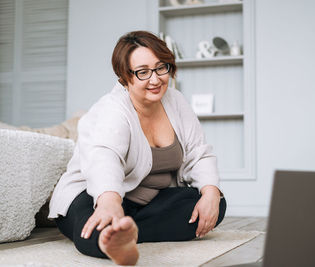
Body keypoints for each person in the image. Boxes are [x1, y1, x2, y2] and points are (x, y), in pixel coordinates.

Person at [48, 30, 227, 266]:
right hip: (93, 194)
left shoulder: (177, 101)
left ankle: (127, 232)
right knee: (93, 233)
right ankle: (116, 231)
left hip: (148, 202)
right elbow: (104, 157)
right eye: (143, 72)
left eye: (161, 67)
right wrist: (110, 202)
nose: (155, 79)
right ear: (124, 76)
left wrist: (211, 191)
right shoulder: (112, 109)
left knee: (214, 204)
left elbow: (198, 152)